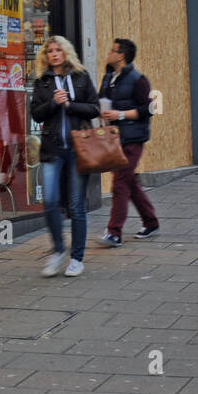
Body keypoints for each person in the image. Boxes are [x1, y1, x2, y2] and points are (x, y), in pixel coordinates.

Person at [31, 36, 101, 278]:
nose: (54, 54)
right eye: (49, 51)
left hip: (78, 149)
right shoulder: (42, 82)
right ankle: (58, 250)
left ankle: (76, 258)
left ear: (66, 52)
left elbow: (94, 108)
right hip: (52, 149)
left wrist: (70, 105)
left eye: (58, 49)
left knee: (76, 205)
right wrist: (53, 103)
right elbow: (36, 114)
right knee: (50, 201)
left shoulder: (81, 77)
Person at [94, 38, 159, 247]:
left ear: (121, 55)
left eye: (112, 50)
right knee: (129, 181)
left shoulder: (138, 79)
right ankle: (151, 221)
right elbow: (101, 99)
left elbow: (147, 110)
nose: (109, 53)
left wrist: (119, 114)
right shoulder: (109, 77)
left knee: (120, 182)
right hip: (114, 137)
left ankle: (114, 232)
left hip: (133, 138)